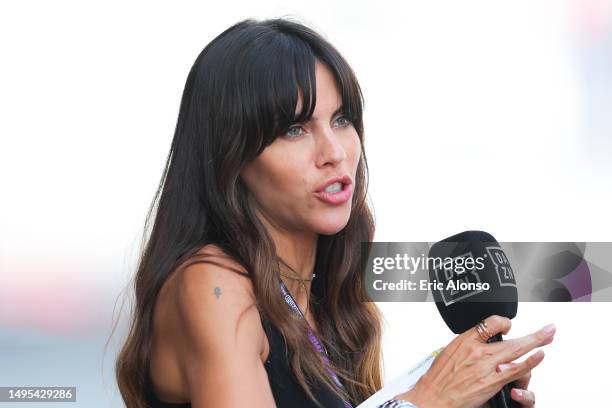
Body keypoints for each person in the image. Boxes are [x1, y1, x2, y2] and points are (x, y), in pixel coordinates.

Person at [114, 18, 554, 408]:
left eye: (342, 120)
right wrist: (426, 402)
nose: (334, 153)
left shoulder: (326, 293)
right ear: (232, 156)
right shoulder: (212, 283)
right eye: (294, 129)